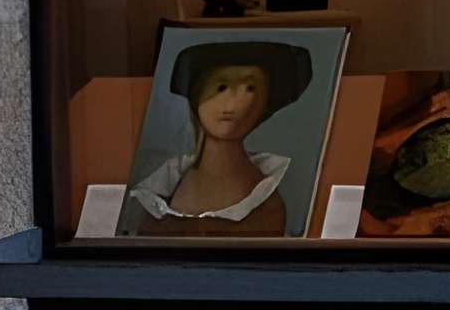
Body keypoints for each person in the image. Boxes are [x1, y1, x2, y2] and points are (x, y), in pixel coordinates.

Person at [124, 40, 311, 232]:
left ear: (265, 103)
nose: (233, 104)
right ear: (197, 94)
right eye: (221, 87)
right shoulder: (162, 185)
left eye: (250, 89)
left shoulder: (267, 203)